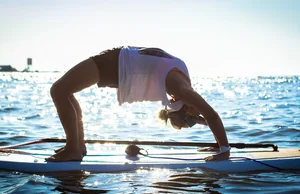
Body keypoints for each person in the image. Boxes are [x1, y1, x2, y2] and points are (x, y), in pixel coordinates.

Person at [46, 46, 230, 162]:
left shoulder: (181, 80)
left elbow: (208, 117)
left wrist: (220, 146)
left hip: (116, 62)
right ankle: (76, 147)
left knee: (61, 91)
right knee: (62, 91)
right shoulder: (182, 89)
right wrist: (224, 149)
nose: (196, 113)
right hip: (116, 62)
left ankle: (75, 148)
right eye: (192, 117)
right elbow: (210, 116)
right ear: (185, 106)